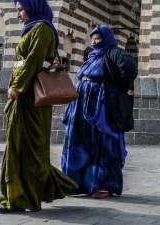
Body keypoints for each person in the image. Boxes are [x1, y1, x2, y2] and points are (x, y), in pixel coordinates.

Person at [0, 0, 77, 213]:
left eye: (21, 9)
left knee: (28, 146)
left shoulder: (41, 29)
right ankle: (23, 194)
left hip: (31, 96)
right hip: (25, 95)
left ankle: (23, 198)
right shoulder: (34, 28)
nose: (18, 14)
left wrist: (18, 86)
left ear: (33, 8)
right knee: (19, 144)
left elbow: (33, 60)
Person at [61, 24, 137, 199]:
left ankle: (104, 185)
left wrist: (119, 88)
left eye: (98, 39)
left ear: (107, 39)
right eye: (93, 39)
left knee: (102, 142)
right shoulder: (91, 57)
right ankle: (78, 183)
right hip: (81, 105)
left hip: (100, 107)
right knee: (80, 140)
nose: (95, 42)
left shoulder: (114, 53)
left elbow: (129, 69)